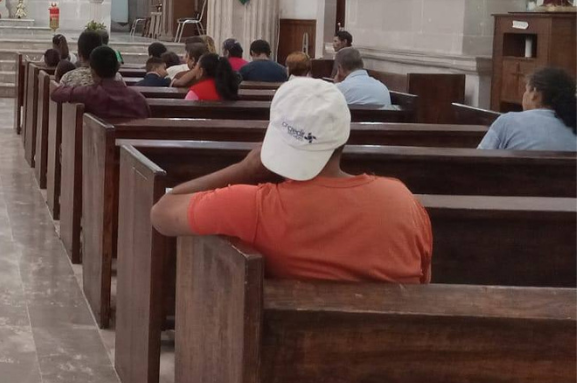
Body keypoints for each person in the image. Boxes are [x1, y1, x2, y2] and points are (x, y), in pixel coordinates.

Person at [149, 77, 432, 283]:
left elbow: (163, 213)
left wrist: (245, 169)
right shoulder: (403, 200)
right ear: (343, 138)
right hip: (395, 361)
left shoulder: (256, 206)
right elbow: (423, 282)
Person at [478, 67, 576, 152]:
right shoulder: (572, 124)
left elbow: (479, 160)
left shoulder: (508, 122)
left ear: (534, 92)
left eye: (526, 90)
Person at [51, 46, 148, 119]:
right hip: (131, 145)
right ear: (117, 68)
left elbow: (56, 94)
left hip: (97, 145)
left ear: (92, 71)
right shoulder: (139, 99)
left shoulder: (89, 94)